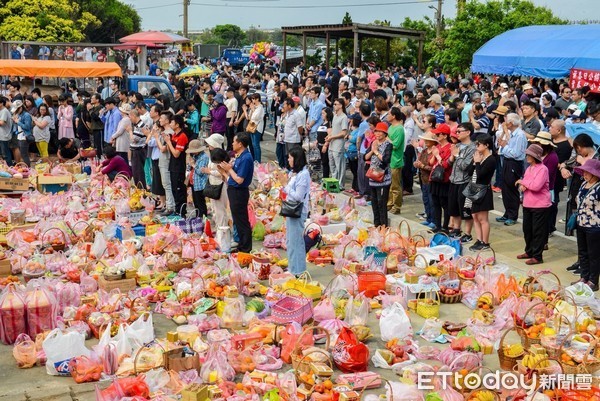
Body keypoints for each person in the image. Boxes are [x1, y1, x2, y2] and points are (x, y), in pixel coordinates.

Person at [516, 144, 551, 265]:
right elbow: (527, 185)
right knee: (527, 229)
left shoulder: (543, 169)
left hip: (540, 205)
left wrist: (523, 182)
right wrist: (523, 184)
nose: (526, 156)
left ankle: (537, 256)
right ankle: (529, 251)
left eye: (528, 155)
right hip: (528, 203)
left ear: (534, 156)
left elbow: (536, 186)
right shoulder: (529, 168)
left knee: (538, 231)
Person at [278, 147, 311, 276]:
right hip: (292, 210)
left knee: (296, 241)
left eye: (290, 157)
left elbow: (298, 196)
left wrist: (285, 185)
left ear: (296, 159)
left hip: (297, 211)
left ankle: (298, 270)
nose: (288, 160)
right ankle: (293, 267)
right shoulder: (296, 173)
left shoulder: (303, 175)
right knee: (291, 241)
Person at [220, 132, 254, 252]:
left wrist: (229, 170)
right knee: (237, 220)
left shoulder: (246, 158)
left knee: (242, 220)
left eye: (234, 141)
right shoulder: (239, 156)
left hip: (239, 192)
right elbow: (233, 176)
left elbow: (239, 179)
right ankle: (241, 245)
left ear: (240, 144)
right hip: (233, 190)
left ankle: (246, 248)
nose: (232, 143)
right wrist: (225, 171)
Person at [572, 159, 600, 291]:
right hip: (581, 223)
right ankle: (584, 276)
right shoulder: (583, 184)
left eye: (587, 172)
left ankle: (593, 281)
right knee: (582, 253)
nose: (585, 174)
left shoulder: (599, 188)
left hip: (594, 226)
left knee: (593, 254)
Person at [496, 113, 528, 226]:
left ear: (511, 123)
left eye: (506, 121)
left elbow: (516, 153)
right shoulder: (511, 133)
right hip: (507, 161)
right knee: (505, 189)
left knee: (511, 189)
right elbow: (500, 144)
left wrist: (505, 147)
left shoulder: (520, 135)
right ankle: (507, 213)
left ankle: (513, 215)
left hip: (514, 163)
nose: (505, 123)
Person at [447, 123, 476, 243]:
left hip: (465, 181)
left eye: (460, 131)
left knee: (466, 209)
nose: (457, 133)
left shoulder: (472, 148)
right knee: (453, 207)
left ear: (468, 132)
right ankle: (456, 229)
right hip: (454, 180)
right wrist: (453, 156)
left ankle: (468, 233)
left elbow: (465, 166)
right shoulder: (457, 146)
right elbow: (449, 163)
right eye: (456, 131)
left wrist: (457, 155)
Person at [469, 134, 496, 251]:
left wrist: (478, 163)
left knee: (483, 218)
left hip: (483, 189)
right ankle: (479, 239)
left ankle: (485, 242)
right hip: (474, 188)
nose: (477, 146)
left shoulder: (491, 159)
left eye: (479, 144)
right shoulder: (479, 157)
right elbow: (470, 172)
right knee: (474, 216)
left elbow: (481, 176)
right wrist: (474, 162)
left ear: (486, 145)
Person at [366, 122, 393, 227]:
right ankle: (376, 224)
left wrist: (376, 152)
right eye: (376, 131)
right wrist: (373, 150)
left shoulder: (388, 145)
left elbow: (386, 160)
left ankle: (384, 226)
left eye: (380, 132)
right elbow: (365, 157)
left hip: (383, 179)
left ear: (385, 133)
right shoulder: (373, 143)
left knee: (382, 203)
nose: (377, 134)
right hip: (372, 177)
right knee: (374, 202)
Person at [429, 121, 453, 232]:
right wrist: (435, 155)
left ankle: (445, 226)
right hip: (434, 178)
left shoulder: (450, 148)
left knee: (445, 204)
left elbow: (446, 165)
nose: (436, 136)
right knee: (435, 203)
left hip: (444, 179)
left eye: (438, 135)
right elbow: (431, 162)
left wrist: (437, 155)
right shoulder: (437, 146)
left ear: (445, 135)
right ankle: (437, 225)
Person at [165, 115, 189, 217]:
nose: (170, 124)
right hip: (172, 166)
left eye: (172, 122)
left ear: (177, 124)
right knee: (174, 189)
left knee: (180, 191)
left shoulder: (182, 136)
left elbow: (176, 153)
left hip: (179, 167)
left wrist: (168, 142)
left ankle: (182, 213)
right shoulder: (174, 135)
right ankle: (176, 210)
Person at [205, 137, 229, 228]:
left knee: (220, 209)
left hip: (220, 185)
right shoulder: (213, 155)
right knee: (215, 208)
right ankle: (219, 226)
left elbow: (221, 172)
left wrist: (209, 172)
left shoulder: (219, 156)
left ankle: (222, 229)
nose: (209, 146)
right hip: (213, 184)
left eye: (210, 144)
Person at [415, 132, 437, 229]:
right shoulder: (424, 151)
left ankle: (434, 220)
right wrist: (416, 164)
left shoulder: (435, 151)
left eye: (428, 140)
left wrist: (423, 166)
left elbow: (434, 167)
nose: (426, 141)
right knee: (426, 199)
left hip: (431, 179)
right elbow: (418, 160)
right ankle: (429, 218)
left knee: (432, 201)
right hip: (423, 178)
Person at [386, 107, 405, 215]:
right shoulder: (391, 127)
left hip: (396, 160)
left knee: (395, 186)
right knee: (389, 184)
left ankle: (397, 206)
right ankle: (389, 203)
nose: (388, 116)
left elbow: (395, 145)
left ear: (394, 116)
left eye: (389, 114)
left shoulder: (399, 129)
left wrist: (387, 139)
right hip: (389, 160)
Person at [327, 98, 349, 188]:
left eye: (336, 104)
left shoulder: (344, 117)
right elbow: (334, 129)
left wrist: (332, 136)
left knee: (339, 166)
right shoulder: (335, 116)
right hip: (332, 144)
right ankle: (333, 183)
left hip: (338, 145)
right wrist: (329, 136)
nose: (334, 106)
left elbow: (344, 132)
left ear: (341, 105)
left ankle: (340, 185)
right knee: (332, 166)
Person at [187, 139, 209, 218]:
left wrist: (193, 164)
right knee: (196, 202)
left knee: (201, 203)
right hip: (194, 182)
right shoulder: (195, 156)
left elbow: (200, 172)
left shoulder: (204, 157)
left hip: (200, 183)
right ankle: (198, 218)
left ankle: (203, 218)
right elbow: (189, 168)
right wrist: (190, 164)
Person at [127, 109, 147, 188]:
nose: (130, 119)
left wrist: (130, 131)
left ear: (134, 116)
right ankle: (139, 189)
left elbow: (134, 139)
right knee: (136, 171)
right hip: (136, 151)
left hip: (138, 151)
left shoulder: (140, 125)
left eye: (130, 117)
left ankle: (141, 190)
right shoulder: (138, 124)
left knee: (138, 172)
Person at [11, 100, 33, 166]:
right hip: (20, 136)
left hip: (25, 136)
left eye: (17, 110)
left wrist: (18, 122)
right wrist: (15, 121)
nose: (16, 112)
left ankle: (28, 168)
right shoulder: (19, 114)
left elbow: (27, 127)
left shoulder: (26, 115)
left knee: (24, 154)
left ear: (20, 108)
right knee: (23, 154)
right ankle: (27, 168)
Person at [345, 114, 362, 195]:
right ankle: (353, 187)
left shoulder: (358, 130)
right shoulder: (352, 130)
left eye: (351, 120)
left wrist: (349, 137)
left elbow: (354, 139)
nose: (350, 121)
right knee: (353, 171)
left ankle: (357, 188)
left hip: (355, 153)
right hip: (349, 152)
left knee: (356, 172)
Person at [247, 93, 265, 162]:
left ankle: (258, 160)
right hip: (252, 127)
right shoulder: (254, 107)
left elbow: (256, 117)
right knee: (253, 144)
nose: (253, 100)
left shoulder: (260, 107)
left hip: (257, 128)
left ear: (258, 99)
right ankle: (254, 159)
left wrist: (253, 109)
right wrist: (252, 109)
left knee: (256, 145)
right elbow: (249, 117)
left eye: (254, 99)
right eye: (252, 99)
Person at [0, 97, 13, 165]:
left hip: (4, 136)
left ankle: (10, 167)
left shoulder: (4, 111)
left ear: (1, 103)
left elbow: (2, 123)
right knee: (2, 154)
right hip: (1, 136)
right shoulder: (1, 111)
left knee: (5, 154)